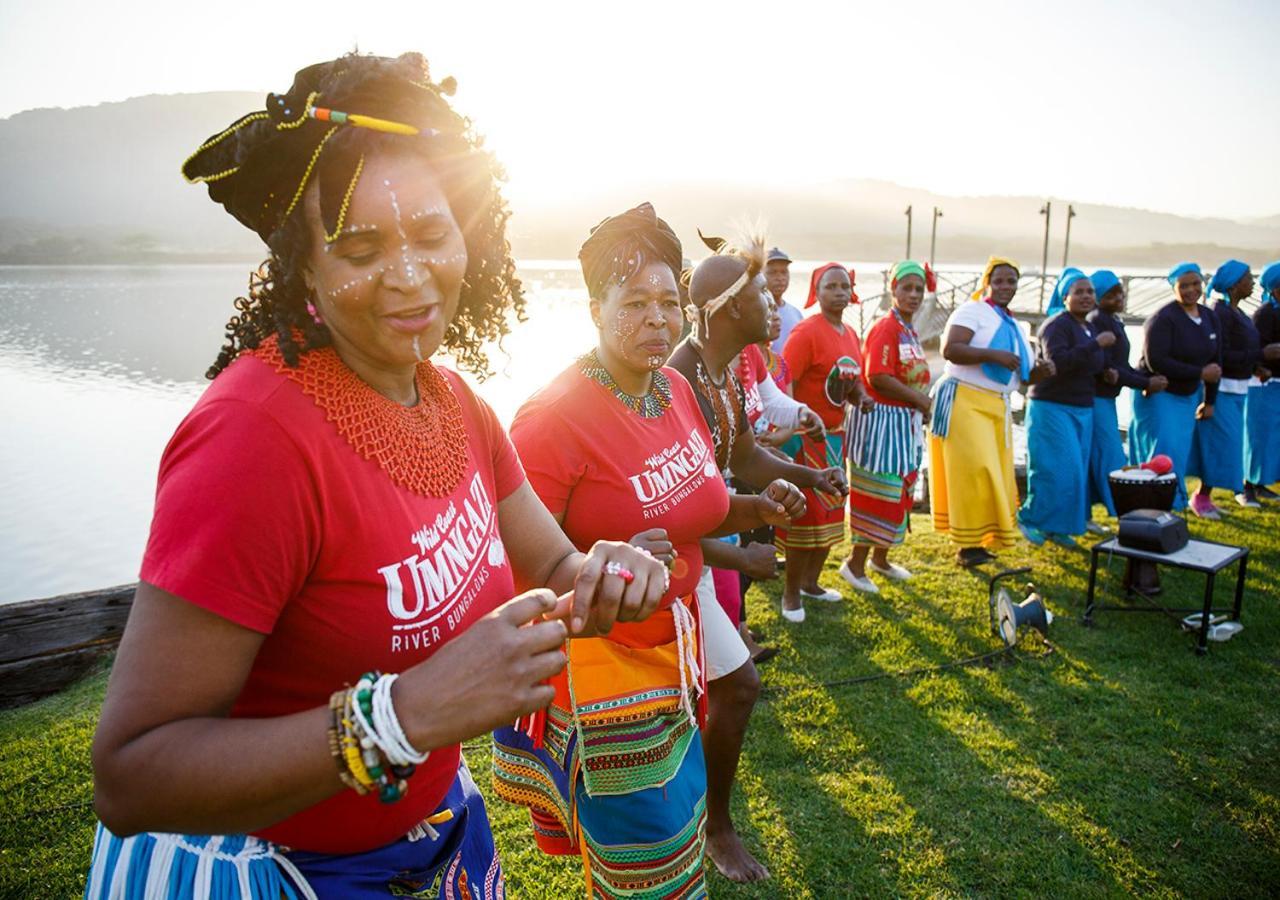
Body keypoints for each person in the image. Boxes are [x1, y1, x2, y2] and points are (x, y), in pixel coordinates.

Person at [84, 54, 671, 899]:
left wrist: (606, 573)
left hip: (429, 843)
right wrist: (404, 715)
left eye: (433, 236)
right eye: (359, 247)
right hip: (269, 872)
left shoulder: (457, 403)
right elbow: (132, 776)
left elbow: (551, 568)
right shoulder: (253, 440)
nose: (408, 275)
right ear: (305, 269)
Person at [490, 204, 804, 897]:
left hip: (677, 650)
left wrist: (759, 505)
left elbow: (698, 504)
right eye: (634, 302)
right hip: (607, 669)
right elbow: (511, 567)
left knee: (678, 825)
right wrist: (608, 561)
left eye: (668, 300)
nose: (657, 318)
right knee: (649, 858)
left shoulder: (677, 390)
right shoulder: (552, 418)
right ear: (594, 306)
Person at [668, 232, 839, 882]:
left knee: (722, 689)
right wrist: (738, 560)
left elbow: (740, 459)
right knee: (736, 687)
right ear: (715, 310)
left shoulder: (724, 371)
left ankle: (704, 821)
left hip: (699, 559)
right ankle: (715, 828)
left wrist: (809, 475)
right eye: (755, 293)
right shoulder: (679, 379)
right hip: (669, 566)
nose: (772, 301)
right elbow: (663, 511)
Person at [930, 256, 1053, 566]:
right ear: (987, 282)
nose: (1005, 286)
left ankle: (983, 538)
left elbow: (1021, 376)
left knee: (993, 473)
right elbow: (951, 349)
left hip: (996, 405)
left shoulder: (1013, 324)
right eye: (998, 280)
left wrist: (1042, 371)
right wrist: (993, 355)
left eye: (1011, 281)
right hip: (964, 401)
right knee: (972, 471)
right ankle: (966, 545)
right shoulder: (973, 311)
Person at [779, 263, 870, 616]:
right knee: (806, 516)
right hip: (806, 439)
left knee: (832, 511)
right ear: (816, 292)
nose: (839, 292)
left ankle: (811, 582)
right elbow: (785, 384)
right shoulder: (805, 333)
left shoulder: (849, 333)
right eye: (831, 286)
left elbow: (852, 378)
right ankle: (790, 594)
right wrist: (791, 427)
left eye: (844, 286)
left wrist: (860, 396)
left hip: (836, 437)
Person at [840, 260, 933, 592]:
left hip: (901, 424)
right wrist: (921, 401)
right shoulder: (886, 328)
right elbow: (877, 376)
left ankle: (880, 558)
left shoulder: (908, 329)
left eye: (918, 289)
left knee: (899, 491)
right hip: (880, 424)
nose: (912, 294)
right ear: (893, 290)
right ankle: (854, 564)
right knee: (880, 491)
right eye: (906, 288)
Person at [1017, 270, 1108, 547]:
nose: (1085, 297)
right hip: (1051, 406)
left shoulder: (1087, 326)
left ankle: (1057, 527)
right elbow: (1058, 363)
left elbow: (1092, 365)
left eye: (1090, 292)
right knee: (1053, 469)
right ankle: (1030, 518)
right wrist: (1095, 345)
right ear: (1065, 296)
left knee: (1075, 471)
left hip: (1081, 406)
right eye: (1078, 292)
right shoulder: (1056, 326)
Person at [1129, 262, 1222, 513]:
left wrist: (1209, 400)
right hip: (1161, 394)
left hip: (1188, 394)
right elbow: (1156, 360)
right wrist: (1199, 373)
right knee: (1162, 453)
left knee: (1178, 453)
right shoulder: (1162, 319)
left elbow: (1216, 360)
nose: (1191, 290)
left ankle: (1174, 502)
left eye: (1195, 284)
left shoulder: (1209, 316)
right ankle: (1153, 505)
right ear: (1173, 288)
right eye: (1184, 285)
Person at [1086, 270, 1167, 523]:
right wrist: (1144, 382)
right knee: (1111, 455)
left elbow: (1120, 366)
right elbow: (1108, 367)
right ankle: (1123, 511)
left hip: (1107, 398)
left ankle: (1094, 512)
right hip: (1096, 398)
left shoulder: (1112, 320)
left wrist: (1145, 380)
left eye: (1120, 292)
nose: (1119, 298)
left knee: (1098, 456)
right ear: (1097, 297)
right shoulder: (1098, 319)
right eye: (1111, 295)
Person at [1199, 260, 1276, 509]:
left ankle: (1241, 487)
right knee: (1229, 440)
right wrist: (1260, 356)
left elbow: (1246, 349)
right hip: (1224, 387)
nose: (1252, 283)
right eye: (1248, 279)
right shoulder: (1220, 313)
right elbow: (1220, 352)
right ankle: (1211, 494)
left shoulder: (1237, 312)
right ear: (1234, 285)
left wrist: (1257, 364)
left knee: (1236, 441)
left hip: (1241, 384)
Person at [1245, 261, 1280, 500]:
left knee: (1272, 439)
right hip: (1263, 385)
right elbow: (1255, 350)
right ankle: (1248, 486)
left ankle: (1262, 483)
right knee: (1258, 436)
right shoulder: (1265, 313)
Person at [766, 246, 803, 354]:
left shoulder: (796, 314)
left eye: (784, 272)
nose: (780, 278)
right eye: (772, 272)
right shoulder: (755, 313)